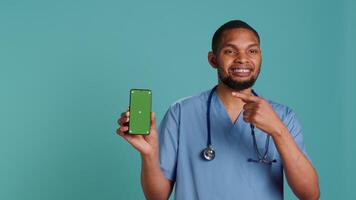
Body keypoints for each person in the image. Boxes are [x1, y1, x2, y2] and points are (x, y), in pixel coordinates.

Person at [117, 20, 320, 200]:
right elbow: (157, 196)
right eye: (230, 51)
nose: (242, 59)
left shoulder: (284, 117)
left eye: (252, 51)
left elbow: (310, 194)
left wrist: (278, 130)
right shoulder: (181, 112)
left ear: (260, 57)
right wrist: (149, 153)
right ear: (213, 59)